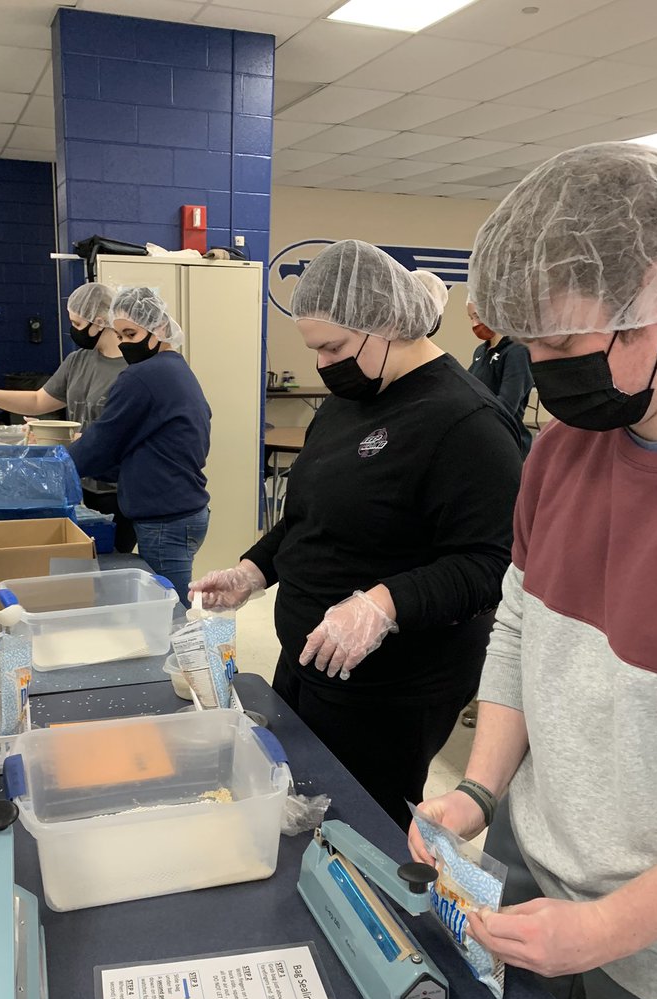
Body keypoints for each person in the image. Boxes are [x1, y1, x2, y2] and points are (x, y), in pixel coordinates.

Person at [407, 142, 657, 999]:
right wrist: (477, 790)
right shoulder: (563, 450)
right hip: (532, 874)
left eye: (564, 342)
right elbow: (521, 625)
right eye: (527, 342)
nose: (541, 367)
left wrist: (604, 930)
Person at [190, 240, 522, 828]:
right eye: (314, 348)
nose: (323, 364)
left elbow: (492, 562)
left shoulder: (466, 422)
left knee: (359, 832)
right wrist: (254, 570)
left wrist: (382, 604)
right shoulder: (349, 401)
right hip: (309, 662)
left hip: (390, 687)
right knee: (294, 806)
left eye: (334, 347)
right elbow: (312, 517)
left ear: (388, 323)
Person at [0, 282, 137, 554]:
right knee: (77, 561)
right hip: (76, 482)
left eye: (76, 322)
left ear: (99, 322)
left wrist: (88, 442)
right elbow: (40, 400)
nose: (73, 330)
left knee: (111, 561)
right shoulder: (79, 360)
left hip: (117, 491)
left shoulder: (134, 368)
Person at [67, 287, 211, 608]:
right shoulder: (177, 368)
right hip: (185, 511)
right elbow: (143, 447)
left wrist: (52, 465)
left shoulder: (141, 377)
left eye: (130, 333)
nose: (123, 343)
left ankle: (182, 659)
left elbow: (102, 444)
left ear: (160, 327)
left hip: (165, 519)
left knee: (168, 614)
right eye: (119, 334)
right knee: (166, 605)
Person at [467, 297, 535, 456]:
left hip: (504, 442)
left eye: (478, 316)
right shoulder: (480, 351)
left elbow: (507, 404)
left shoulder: (517, 351)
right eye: (470, 318)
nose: (474, 324)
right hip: (480, 436)